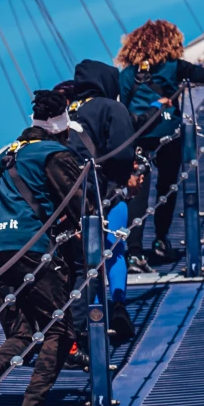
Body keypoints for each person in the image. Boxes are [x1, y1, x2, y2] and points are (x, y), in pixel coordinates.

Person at [0, 90, 87, 406]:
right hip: (31, 248)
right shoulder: (54, 154)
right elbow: (83, 204)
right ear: (62, 127)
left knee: (22, 332)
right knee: (58, 329)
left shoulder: (2, 158)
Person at [116, 19, 204, 266]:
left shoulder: (127, 74)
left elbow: (122, 107)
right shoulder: (174, 67)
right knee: (167, 187)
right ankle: (160, 241)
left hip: (139, 135)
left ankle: (133, 251)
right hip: (169, 134)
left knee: (137, 194)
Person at [55, 62, 139, 343]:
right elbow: (122, 153)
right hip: (105, 193)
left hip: (68, 199)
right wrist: (125, 178)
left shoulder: (66, 112)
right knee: (114, 250)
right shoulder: (110, 107)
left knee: (82, 262)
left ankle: (87, 320)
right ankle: (117, 306)